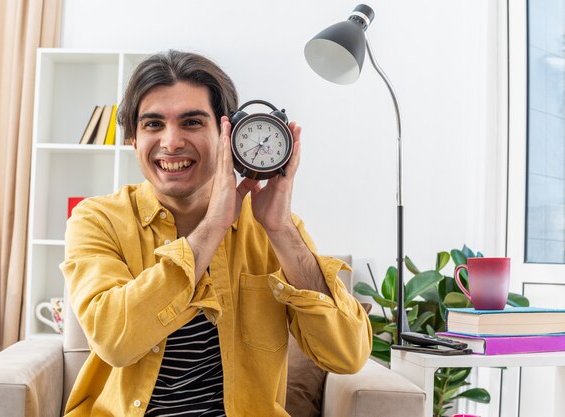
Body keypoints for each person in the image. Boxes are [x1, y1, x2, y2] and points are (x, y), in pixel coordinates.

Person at [60, 49, 372, 417]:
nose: (171, 142)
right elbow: (115, 340)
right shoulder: (97, 219)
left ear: (227, 135)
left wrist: (281, 229)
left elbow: (348, 355)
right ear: (133, 140)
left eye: (191, 122)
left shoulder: (273, 229)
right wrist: (212, 228)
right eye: (153, 124)